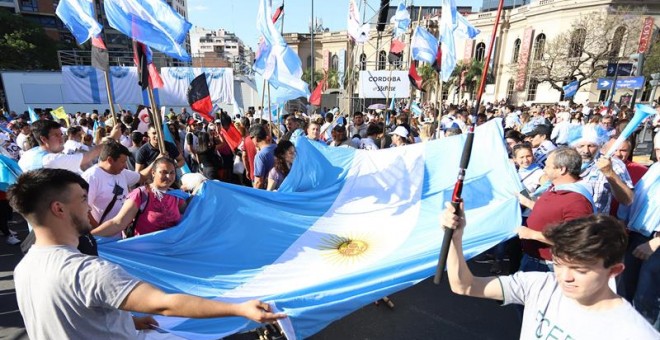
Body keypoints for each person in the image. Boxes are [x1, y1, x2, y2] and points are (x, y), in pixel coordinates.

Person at [9, 168, 285, 339]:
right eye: (82, 200)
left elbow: (71, 318)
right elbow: (164, 304)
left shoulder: (25, 267)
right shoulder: (87, 272)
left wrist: (130, 321)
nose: (88, 208)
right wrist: (239, 308)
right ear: (59, 209)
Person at [441, 204, 659, 339]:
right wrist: (455, 239)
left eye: (580, 269)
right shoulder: (541, 285)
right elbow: (465, 285)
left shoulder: (634, 333)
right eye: (558, 263)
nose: (565, 277)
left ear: (614, 270)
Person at [516, 148, 594, 273]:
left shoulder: (577, 200)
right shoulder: (555, 187)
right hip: (533, 260)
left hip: (549, 267)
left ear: (562, 169)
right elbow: (549, 212)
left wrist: (532, 234)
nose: (544, 170)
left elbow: (576, 240)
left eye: (547, 166)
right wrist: (526, 202)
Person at [92, 158, 185, 237]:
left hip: (171, 251)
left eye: (172, 173)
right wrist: (90, 237)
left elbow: (190, 217)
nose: (168, 176)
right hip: (144, 254)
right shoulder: (140, 194)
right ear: (153, 173)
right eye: (164, 172)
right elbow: (118, 223)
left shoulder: (177, 196)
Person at [82, 142, 146, 235]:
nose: (125, 166)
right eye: (123, 162)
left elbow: (142, 177)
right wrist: (100, 231)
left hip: (119, 237)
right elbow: (83, 210)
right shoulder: (91, 177)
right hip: (102, 240)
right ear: (110, 160)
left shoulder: (122, 172)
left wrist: (158, 162)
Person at [570, 124, 633, 214]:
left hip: (596, 223)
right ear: (574, 147)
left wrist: (609, 173)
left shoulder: (614, 163)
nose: (586, 151)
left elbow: (627, 200)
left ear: (599, 146)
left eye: (591, 146)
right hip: (568, 223)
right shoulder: (565, 161)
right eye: (581, 146)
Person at [251, 124, 275, 189]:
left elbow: (258, 182)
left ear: (256, 139)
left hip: (269, 191)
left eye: (251, 138)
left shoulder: (260, 156)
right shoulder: (277, 147)